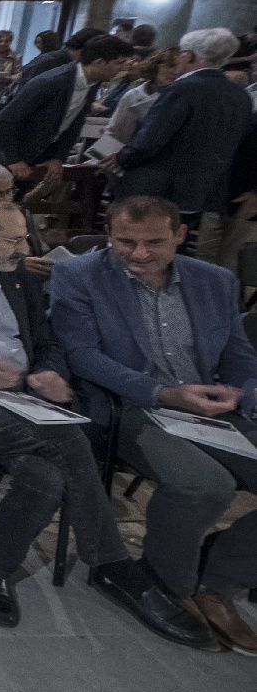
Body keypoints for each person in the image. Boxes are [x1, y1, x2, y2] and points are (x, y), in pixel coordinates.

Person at [0, 197, 209, 643]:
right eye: (14, 239)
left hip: (20, 403)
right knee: (66, 439)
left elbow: (47, 341)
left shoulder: (21, 279)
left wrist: (50, 371)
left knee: (47, 477)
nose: (25, 246)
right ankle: (112, 564)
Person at [50, 196, 257, 653]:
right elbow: (82, 356)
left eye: (154, 243)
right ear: (109, 236)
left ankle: (218, 577)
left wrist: (241, 393)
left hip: (211, 406)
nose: (139, 254)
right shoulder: (78, 275)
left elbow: (239, 356)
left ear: (180, 236)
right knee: (206, 485)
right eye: (126, 242)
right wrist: (163, 394)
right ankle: (168, 583)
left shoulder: (214, 280)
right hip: (135, 406)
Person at [115, 28, 253, 226]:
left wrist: (122, 159)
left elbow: (149, 140)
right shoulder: (240, 95)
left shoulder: (183, 89)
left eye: (180, 53)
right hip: (205, 191)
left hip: (159, 190)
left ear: (189, 56)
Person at [0, 34, 135, 188]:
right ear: (99, 62)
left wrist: (58, 157)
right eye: (118, 63)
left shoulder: (92, 82)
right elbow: (5, 119)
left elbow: (74, 123)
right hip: (9, 157)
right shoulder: (53, 81)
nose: (122, 69)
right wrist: (13, 159)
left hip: (37, 157)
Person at [105, 47, 179, 144]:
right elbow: (112, 130)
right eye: (170, 66)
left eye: (178, 68)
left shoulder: (178, 99)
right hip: (119, 150)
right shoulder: (132, 94)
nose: (175, 72)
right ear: (155, 66)